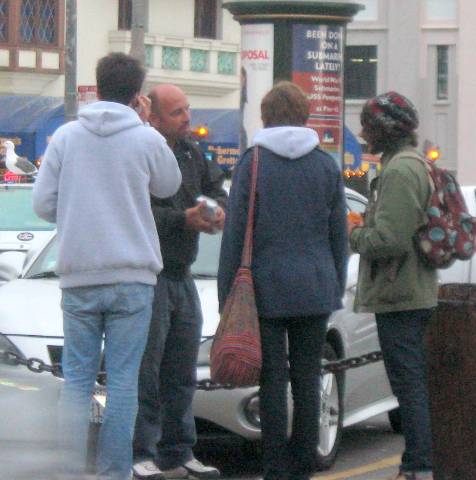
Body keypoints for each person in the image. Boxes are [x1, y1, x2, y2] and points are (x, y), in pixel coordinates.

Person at [32, 52, 182, 480]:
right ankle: (114, 472)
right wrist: (150, 126)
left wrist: (77, 212)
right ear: (138, 94)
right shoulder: (145, 138)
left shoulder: (65, 137)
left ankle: (69, 471)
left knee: (77, 382)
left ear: (96, 86)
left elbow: (42, 203)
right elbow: (169, 185)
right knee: (122, 383)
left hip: (79, 275)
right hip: (132, 278)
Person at [218, 81, 348, 480]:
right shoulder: (326, 165)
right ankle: (303, 464)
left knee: (272, 380)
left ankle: (274, 465)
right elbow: (338, 235)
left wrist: (227, 295)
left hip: (265, 288)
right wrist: (335, 284)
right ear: (305, 115)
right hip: (315, 285)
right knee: (308, 380)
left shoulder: (253, 162)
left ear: (266, 115)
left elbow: (236, 233)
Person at [132, 83, 227, 480]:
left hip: (183, 274)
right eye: (177, 112)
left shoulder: (191, 152)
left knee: (181, 369)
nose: (187, 118)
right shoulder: (141, 152)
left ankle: (179, 450)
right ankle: (142, 452)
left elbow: (214, 189)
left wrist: (216, 210)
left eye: (188, 110)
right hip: (150, 275)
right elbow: (138, 209)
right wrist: (182, 219)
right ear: (153, 117)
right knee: (147, 370)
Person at [348, 91, 438, 480]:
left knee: (409, 385)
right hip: (406, 290)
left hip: (400, 293)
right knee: (409, 382)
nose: (363, 133)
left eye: (368, 126)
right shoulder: (405, 165)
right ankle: (419, 462)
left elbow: (390, 240)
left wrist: (353, 233)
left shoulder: (400, 171)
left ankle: (418, 465)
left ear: (386, 129)